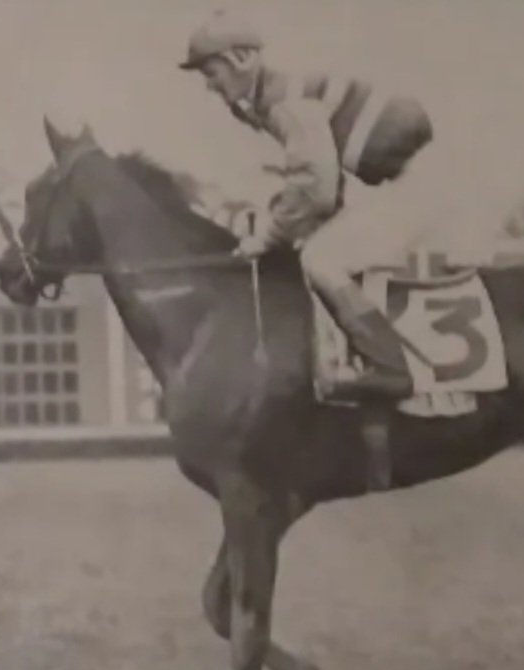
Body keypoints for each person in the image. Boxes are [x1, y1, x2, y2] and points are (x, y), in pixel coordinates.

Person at [179, 7, 439, 401]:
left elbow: (315, 186)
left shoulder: (286, 101)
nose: (209, 86)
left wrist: (266, 235)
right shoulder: (264, 98)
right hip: (396, 179)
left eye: (211, 73)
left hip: (414, 184)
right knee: (316, 246)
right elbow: (322, 184)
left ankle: (391, 367)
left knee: (321, 259)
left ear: (241, 60)